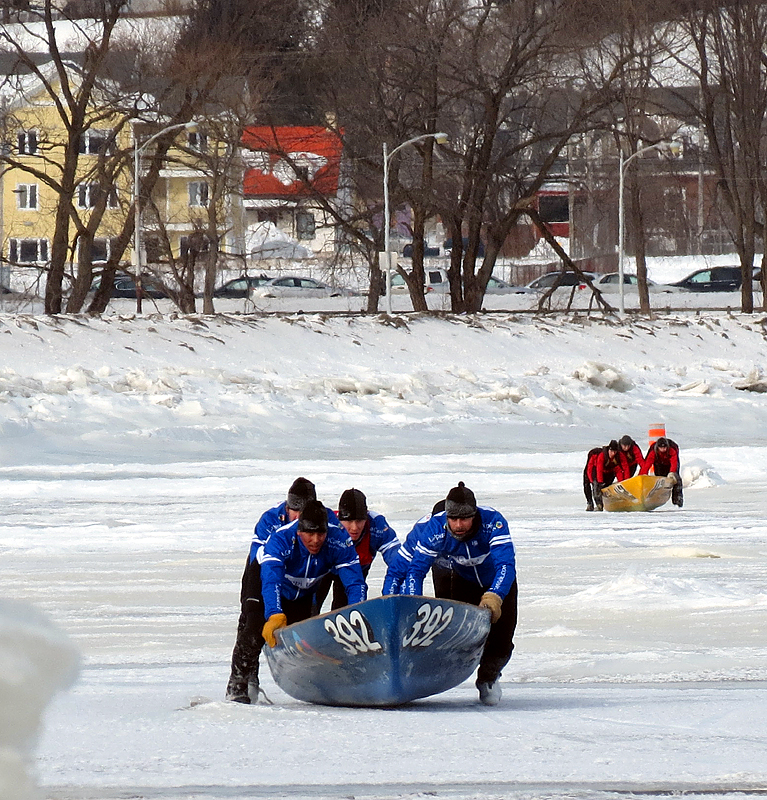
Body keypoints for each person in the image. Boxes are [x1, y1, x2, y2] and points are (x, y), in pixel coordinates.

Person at [383, 482, 517, 707]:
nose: (458, 524)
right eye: (453, 519)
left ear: (474, 515)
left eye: (464, 518)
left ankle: (489, 677)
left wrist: (495, 594)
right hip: (463, 581)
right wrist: (412, 606)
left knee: (502, 640)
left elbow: (506, 564)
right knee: (462, 637)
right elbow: (415, 571)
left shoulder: (493, 521)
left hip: (498, 581)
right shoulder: (434, 528)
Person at [225, 477, 329, 704]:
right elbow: (258, 563)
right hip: (262, 572)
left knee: (301, 628)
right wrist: (254, 601)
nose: (297, 516)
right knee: (252, 623)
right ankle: (240, 680)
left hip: (301, 581)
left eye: (303, 511)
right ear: (287, 506)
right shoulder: (270, 520)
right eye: (294, 510)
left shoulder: (320, 520)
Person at [260, 500, 367, 647]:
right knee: (253, 632)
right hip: (273, 589)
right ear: (299, 531)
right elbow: (271, 579)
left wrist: (357, 614)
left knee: (303, 642)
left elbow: (355, 584)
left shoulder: (339, 539)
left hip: (305, 594)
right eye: (310, 533)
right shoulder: (281, 538)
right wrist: (273, 613)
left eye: (321, 533)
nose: (316, 540)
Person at [313, 488, 399, 612]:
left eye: (359, 521)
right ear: (339, 518)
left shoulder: (377, 525)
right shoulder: (326, 524)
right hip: (324, 569)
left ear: (366, 517)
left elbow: (398, 562)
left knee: (345, 609)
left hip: (355, 571)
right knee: (312, 607)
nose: (354, 527)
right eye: (348, 521)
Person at [641, 436, 683, 507]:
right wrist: (642, 476)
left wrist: (672, 473)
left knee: (676, 479)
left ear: (667, 447)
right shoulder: (653, 452)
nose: (663, 449)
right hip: (659, 463)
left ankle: (677, 498)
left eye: (664, 448)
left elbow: (674, 462)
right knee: (659, 479)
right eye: (661, 448)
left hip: (670, 463)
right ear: (658, 448)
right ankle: (656, 497)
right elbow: (647, 465)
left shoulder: (672, 450)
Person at [591, 440, 630, 511]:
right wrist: (600, 482)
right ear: (609, 449)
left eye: (615, 452)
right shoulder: (602, 455)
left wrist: (623, 481)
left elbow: (623, 468)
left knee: (607, 487)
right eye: (611, 451)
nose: (613, 453)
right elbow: (599, 469)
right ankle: (599, 505)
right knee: (597, 488)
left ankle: (609, 502)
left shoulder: (619, 455)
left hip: (610, 473)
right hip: (600, 472)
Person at [583, 446, 603, 511]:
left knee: (596, 486)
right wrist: (591, 480)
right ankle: (590, 503)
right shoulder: (593, 456)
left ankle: (598, 504)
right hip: (591, 469)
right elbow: (589, 469)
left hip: (596, 468)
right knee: (587, 484)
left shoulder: (602, 456)